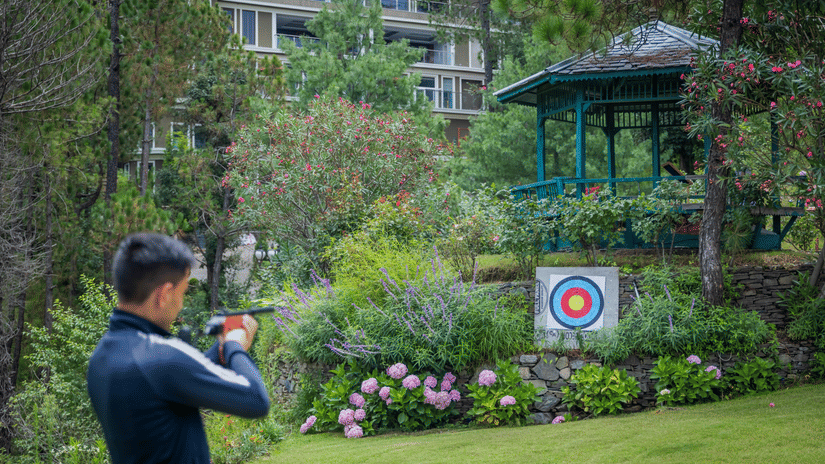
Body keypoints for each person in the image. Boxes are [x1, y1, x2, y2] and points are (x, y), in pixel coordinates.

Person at [87, 233, 269, 464]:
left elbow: (175, 380)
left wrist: (221, 347)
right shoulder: (162, 356)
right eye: (181, 293)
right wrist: (235, 346)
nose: (181, 305)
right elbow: (255, 399)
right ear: (163, 295)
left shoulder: (103, 355)